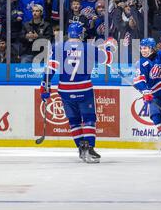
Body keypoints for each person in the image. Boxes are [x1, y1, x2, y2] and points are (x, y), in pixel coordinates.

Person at [39, 22, 113, 163]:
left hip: (65, 90)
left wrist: (45, 87)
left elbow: (50, 69)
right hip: (84, 90)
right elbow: (107, 59)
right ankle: (89, 148)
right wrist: (108, 46)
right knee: (89, 119)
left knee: (74, 121)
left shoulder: (58, 47)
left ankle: (80, 149)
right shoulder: (89, 48)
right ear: (80, 34)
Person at [133, 38, 161, 153]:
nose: (143, 50)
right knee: (156, 117)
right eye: (141, 48)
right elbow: (138, 80)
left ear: (152, 48)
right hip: (154, 95)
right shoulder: (141, 63)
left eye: (145, 48)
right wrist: (145, 91)